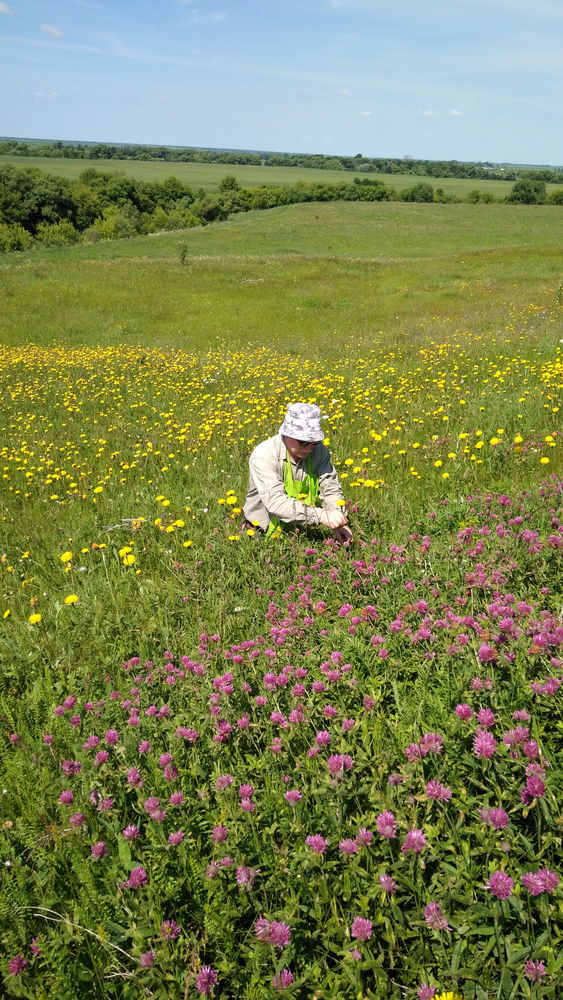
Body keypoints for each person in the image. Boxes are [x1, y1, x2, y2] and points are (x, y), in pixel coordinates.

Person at [242, 402, 353, 541]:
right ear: (286, 434)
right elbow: (275, 502)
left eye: (314, 442)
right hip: (263, 531)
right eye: (302, 441)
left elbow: (330, 488)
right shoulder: (264, 455)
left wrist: (339, 522)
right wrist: (322, 515)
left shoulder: (319, 451)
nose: (309, 447)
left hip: (301, 530)